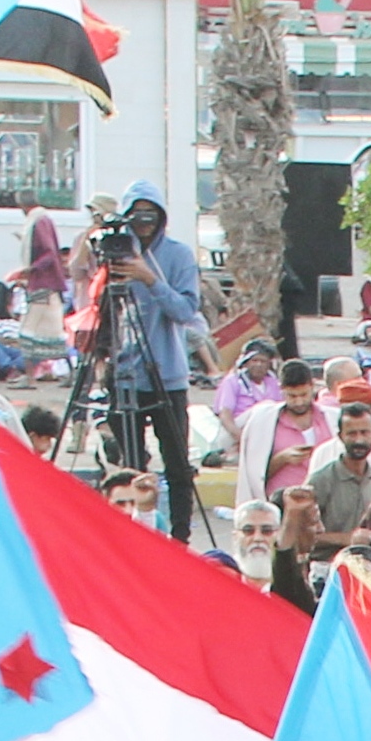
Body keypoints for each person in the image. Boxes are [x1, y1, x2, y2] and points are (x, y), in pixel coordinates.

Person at [99, 187, 209, 544]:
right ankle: (133, 532)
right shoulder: (116, 251)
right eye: (137, 214)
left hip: (168, 372)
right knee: (131, 464)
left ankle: (179, 538)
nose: (143, 222)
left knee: (176, 463)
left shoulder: (177, 256)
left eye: (150, 214)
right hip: (125, 373)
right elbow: (94, 310)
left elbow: (185, 312)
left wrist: (150, 279)